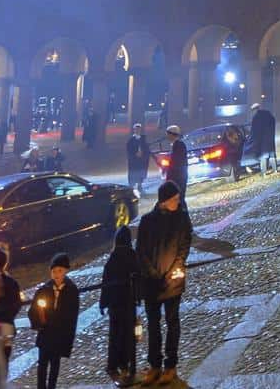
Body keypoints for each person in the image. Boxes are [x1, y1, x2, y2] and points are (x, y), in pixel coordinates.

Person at [136, 180, 193, 384]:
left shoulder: (182, 218)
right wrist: (152, 273)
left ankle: (170, 365)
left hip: (172, 282)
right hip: (151, 282)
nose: (178, 202)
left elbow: (185, 245)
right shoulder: (147, 221)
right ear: (164, 201)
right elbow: (141, 251)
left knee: (172, 322)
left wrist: (175, 268)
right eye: (175, 199)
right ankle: (154, 365)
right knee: (153, 325)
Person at [27, 253, 79, 389]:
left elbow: (72, 317)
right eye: (54, 271)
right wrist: (38, 323)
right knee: (42, 364)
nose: (56, 274)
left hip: (59, 335)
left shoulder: (71, 290)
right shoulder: (44, 289)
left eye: (60, 271)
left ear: (66, 271)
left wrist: (67, 337)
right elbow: (33, 311)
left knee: (55, 364)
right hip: (45, 334)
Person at [100, 227, 140, 386]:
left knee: (115, 334)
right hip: (128, 302)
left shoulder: (113, 258)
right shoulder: (132, 255)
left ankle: (113, 364)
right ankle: (126, 362)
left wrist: (103, 303)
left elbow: (106, 283)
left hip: (115, 304)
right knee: (128, 334)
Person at [0, 249, 22, 358]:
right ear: (5, 263)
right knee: (4, 360)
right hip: (6, 325)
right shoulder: (11, 282)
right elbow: (17, 304)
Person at [248, 100, 278, 175]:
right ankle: (275, 170)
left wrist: (251, 138)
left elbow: (254, 130)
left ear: (254, 110)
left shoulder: (256, 117)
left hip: (262, 140)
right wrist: (272, 132)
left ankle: (264, 173)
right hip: (270, 138)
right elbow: (273, 121)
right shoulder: (267, 113)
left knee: (263, 156)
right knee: (272, 155)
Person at [163, 126, 189, 206]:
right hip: (179, 176)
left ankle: (183, 216)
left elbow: (176, 162)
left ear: (172, 134)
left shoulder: (178, 145)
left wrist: (169, 175)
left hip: (178, 177)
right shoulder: (177, 144)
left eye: (168, 134)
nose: (167, 136)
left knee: (179, 199)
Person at [125, 125, 151, 195]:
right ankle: (132, 187)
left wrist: (143, 154)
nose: (137, 131)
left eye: (139, 129)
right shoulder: (131, 140)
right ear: (134, 130)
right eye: (136, 129)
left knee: (140, 173)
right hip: (134, 160)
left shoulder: (143, 139)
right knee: (133, 173)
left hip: (141, 160)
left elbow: (147, 149)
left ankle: (140, 185)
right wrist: (134, 155)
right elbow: (129, 150)